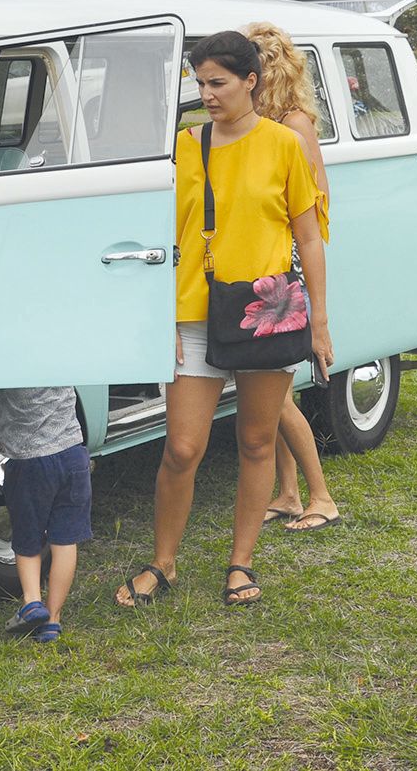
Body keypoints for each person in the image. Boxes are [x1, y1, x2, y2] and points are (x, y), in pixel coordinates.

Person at [115, 30, 332, 608]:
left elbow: (308, 236)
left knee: (257, 441)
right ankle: (164, 563)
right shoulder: (185, 146)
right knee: (182, 447)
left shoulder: (284, 144)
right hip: (192, 309)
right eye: (200, 83)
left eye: (219, 82)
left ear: (251, 82)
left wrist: (320, 323)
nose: (207, 94)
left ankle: (241, 562)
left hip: (268, 309)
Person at [245, 22, 341, 533]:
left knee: (275, 395)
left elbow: (311, 206)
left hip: (284, 267)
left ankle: (321, 496)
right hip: (266, 262)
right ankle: (287, 492)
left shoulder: (293, 125)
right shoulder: (262, 124)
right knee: (265, 394)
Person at [0, 387, 91, 643]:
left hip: (30, 461)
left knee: (28, 539)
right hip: (73, 454)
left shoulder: (14, 364)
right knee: (65, 541)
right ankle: (53, 620)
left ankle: (32, 602)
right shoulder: (58, 354)